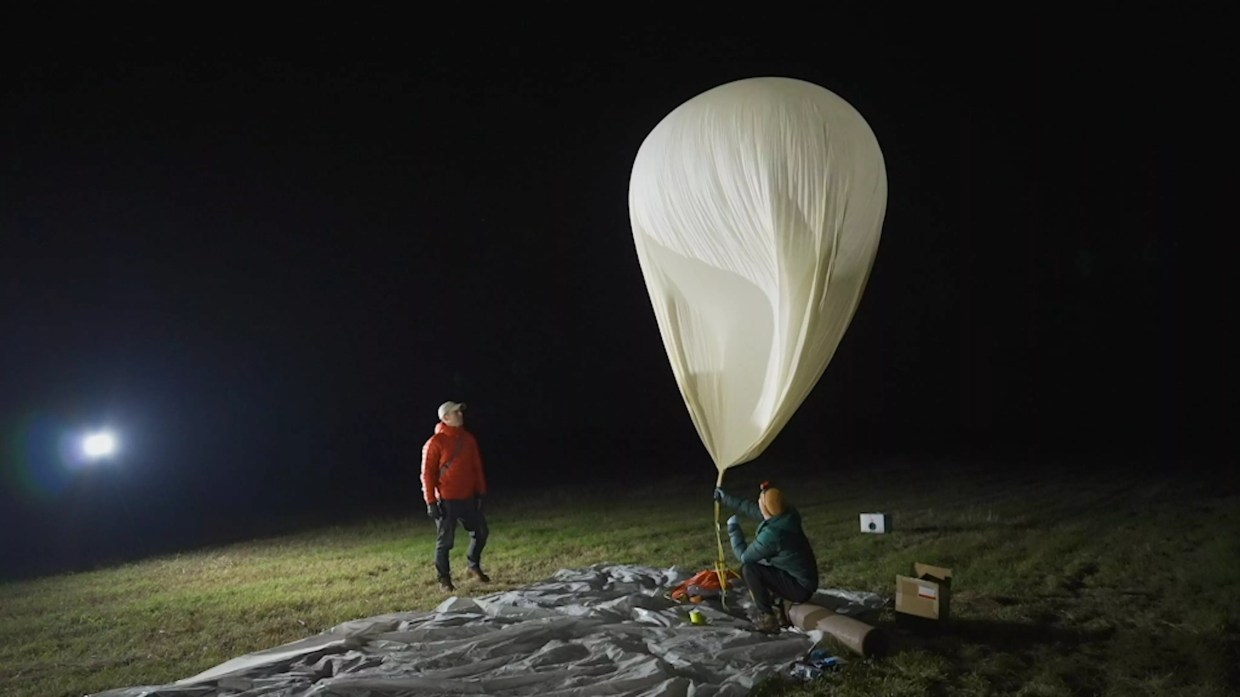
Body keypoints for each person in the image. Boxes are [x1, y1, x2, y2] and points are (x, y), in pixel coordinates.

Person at [714, 481, 818, 633]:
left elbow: (744, 557)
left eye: (761, 502)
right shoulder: (787, 516)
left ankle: (769, 617)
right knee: (762, 563)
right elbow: (755, 510)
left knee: (750, 569)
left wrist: (733, 529)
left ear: (765, 508)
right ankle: (778, 604)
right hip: (803, 579)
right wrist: (727, 499)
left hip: (799, 588)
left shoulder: (773, 535)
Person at [421, 400, 490, 592]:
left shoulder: (468, 439)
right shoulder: (435, 442)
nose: (461, 415)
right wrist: (431, 501)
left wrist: (480, 491)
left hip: (468, 497)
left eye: (460, 411)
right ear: (445, 417)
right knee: (445, 542)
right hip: (446, 499)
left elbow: (476, 466)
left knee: (481, 532)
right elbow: (427, 474)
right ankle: (444, 579)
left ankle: (473, 565)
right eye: (456, 412)